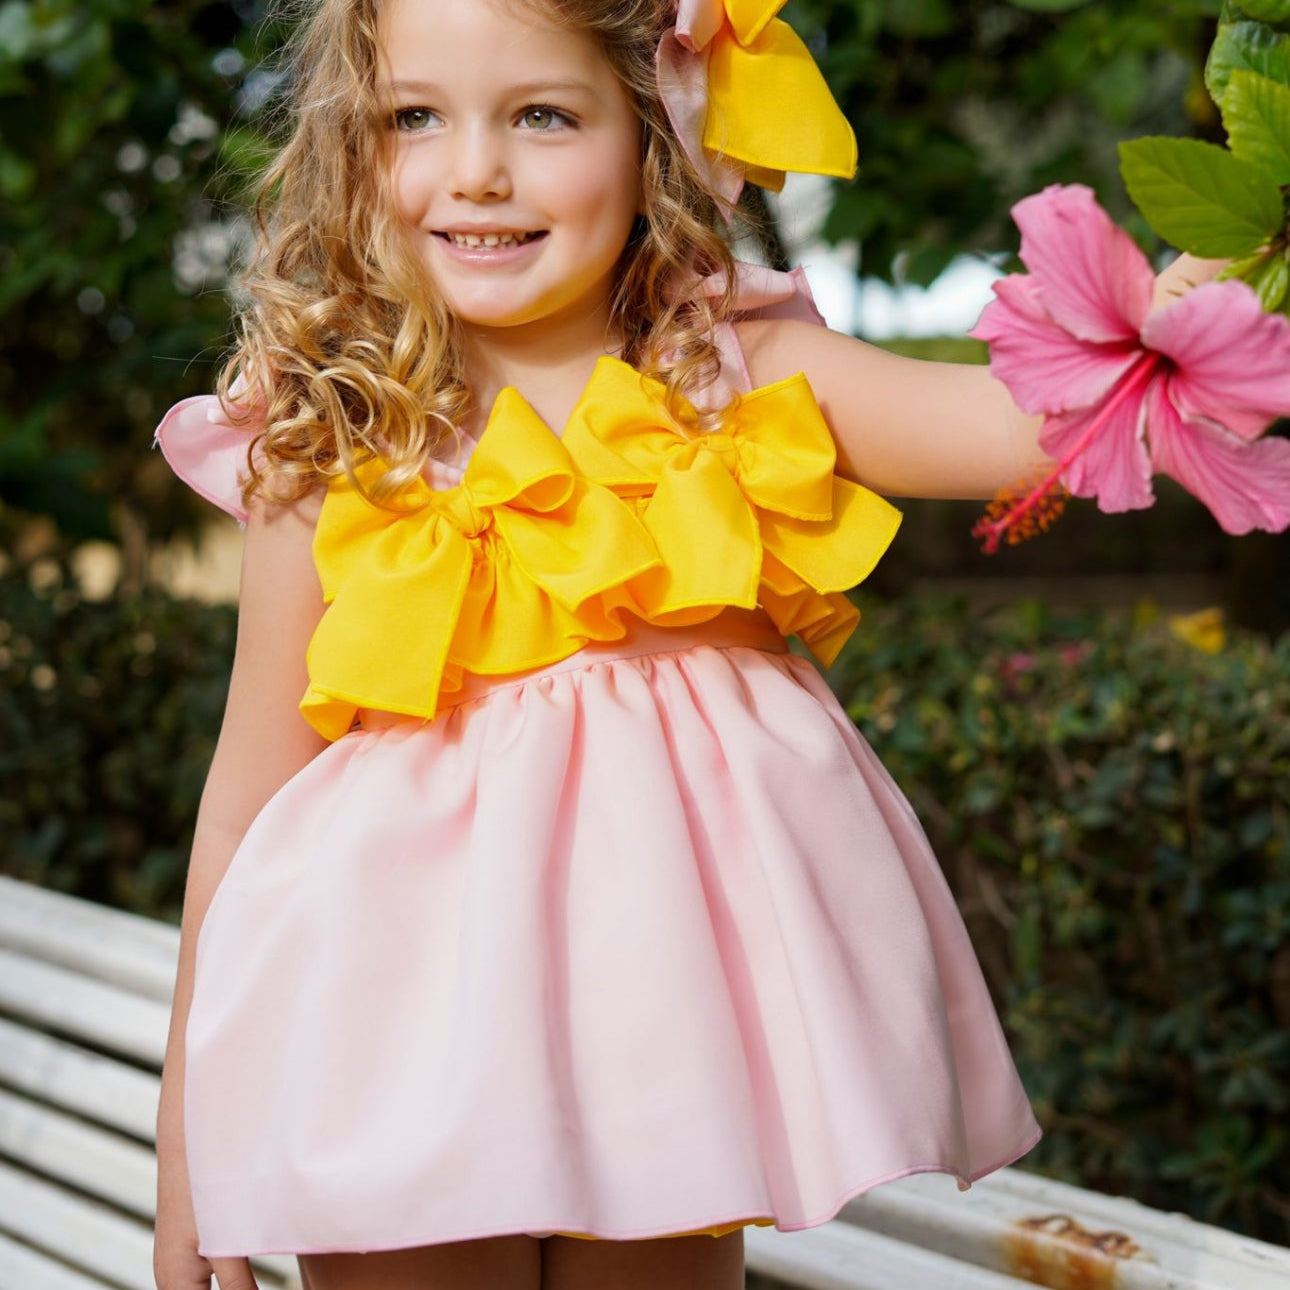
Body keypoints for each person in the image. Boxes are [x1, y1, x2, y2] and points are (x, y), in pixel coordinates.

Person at [150, 2, 1223, 1288]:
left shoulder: (738, 375)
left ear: (655, 126)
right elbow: (239, 810)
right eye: (412, 116)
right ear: (348, 145)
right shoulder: (340, 439)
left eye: (543, 115)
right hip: (391, 1043)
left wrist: (1207, 290)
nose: (477, 169)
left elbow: (1024, 426)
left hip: (669, 1040)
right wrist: (188, 1152)